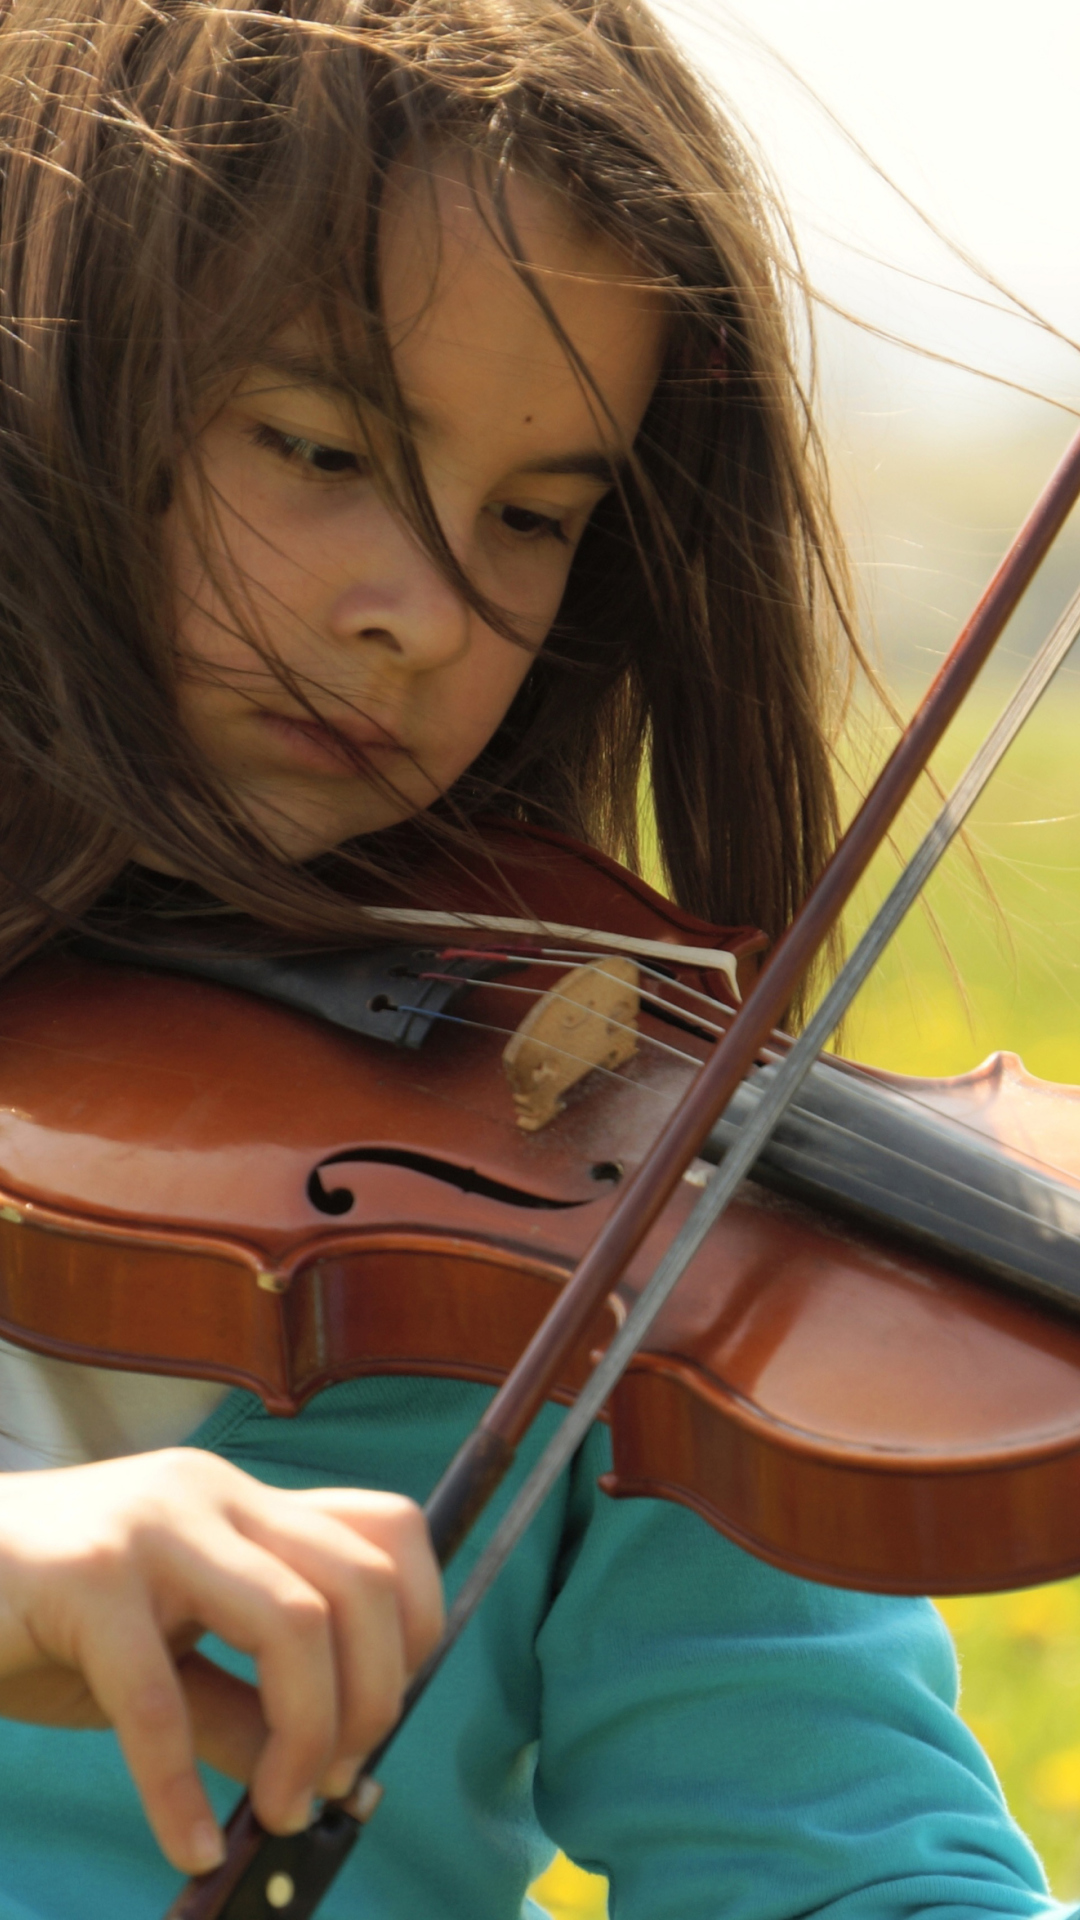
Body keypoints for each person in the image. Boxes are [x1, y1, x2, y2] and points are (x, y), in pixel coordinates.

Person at [0, 0, 1067, 1914]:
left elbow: (842, 1866)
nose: (425, 611)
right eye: (321, 444)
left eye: (532, 518)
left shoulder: (611, 1226)